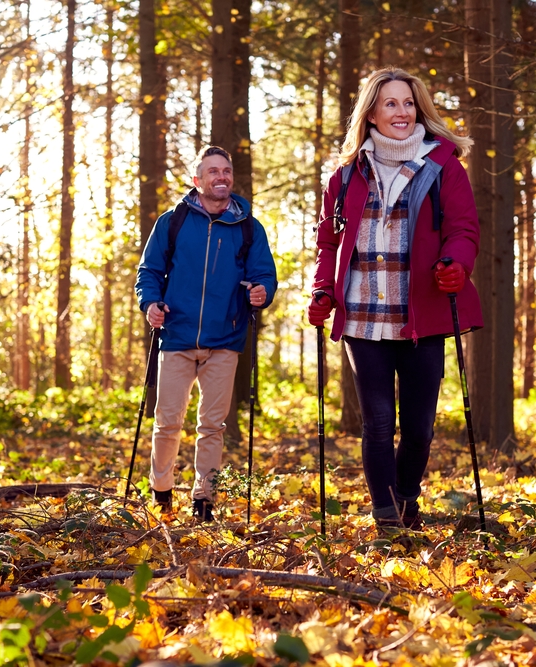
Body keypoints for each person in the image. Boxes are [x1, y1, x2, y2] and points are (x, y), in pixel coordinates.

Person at [307, 67, 483, 533]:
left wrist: (455, 264)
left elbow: (464, 230)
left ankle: (407, 498)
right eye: (390, 103)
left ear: (419, 108)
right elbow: (329, 243)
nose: (400, 112)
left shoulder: (444, 167)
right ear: (372, 112)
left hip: (422, 312)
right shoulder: (345, 177)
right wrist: (322, 288)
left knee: (420, 426)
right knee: (378, 420)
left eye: (407, 102)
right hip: (363, 313)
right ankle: (386, 518)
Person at [136, 146, 278, 521]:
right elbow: (148, 272)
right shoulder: (173, 221)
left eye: (226, 171)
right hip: (176, 336)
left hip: (224, 339)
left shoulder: (249, 226)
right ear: (197, 180)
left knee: (212, 426)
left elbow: (264, 274)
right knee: (167, 422)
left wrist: (262, 292)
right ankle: (162, 492)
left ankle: (204, 500)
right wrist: (150, 304)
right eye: (213, 171)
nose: (222, 177)